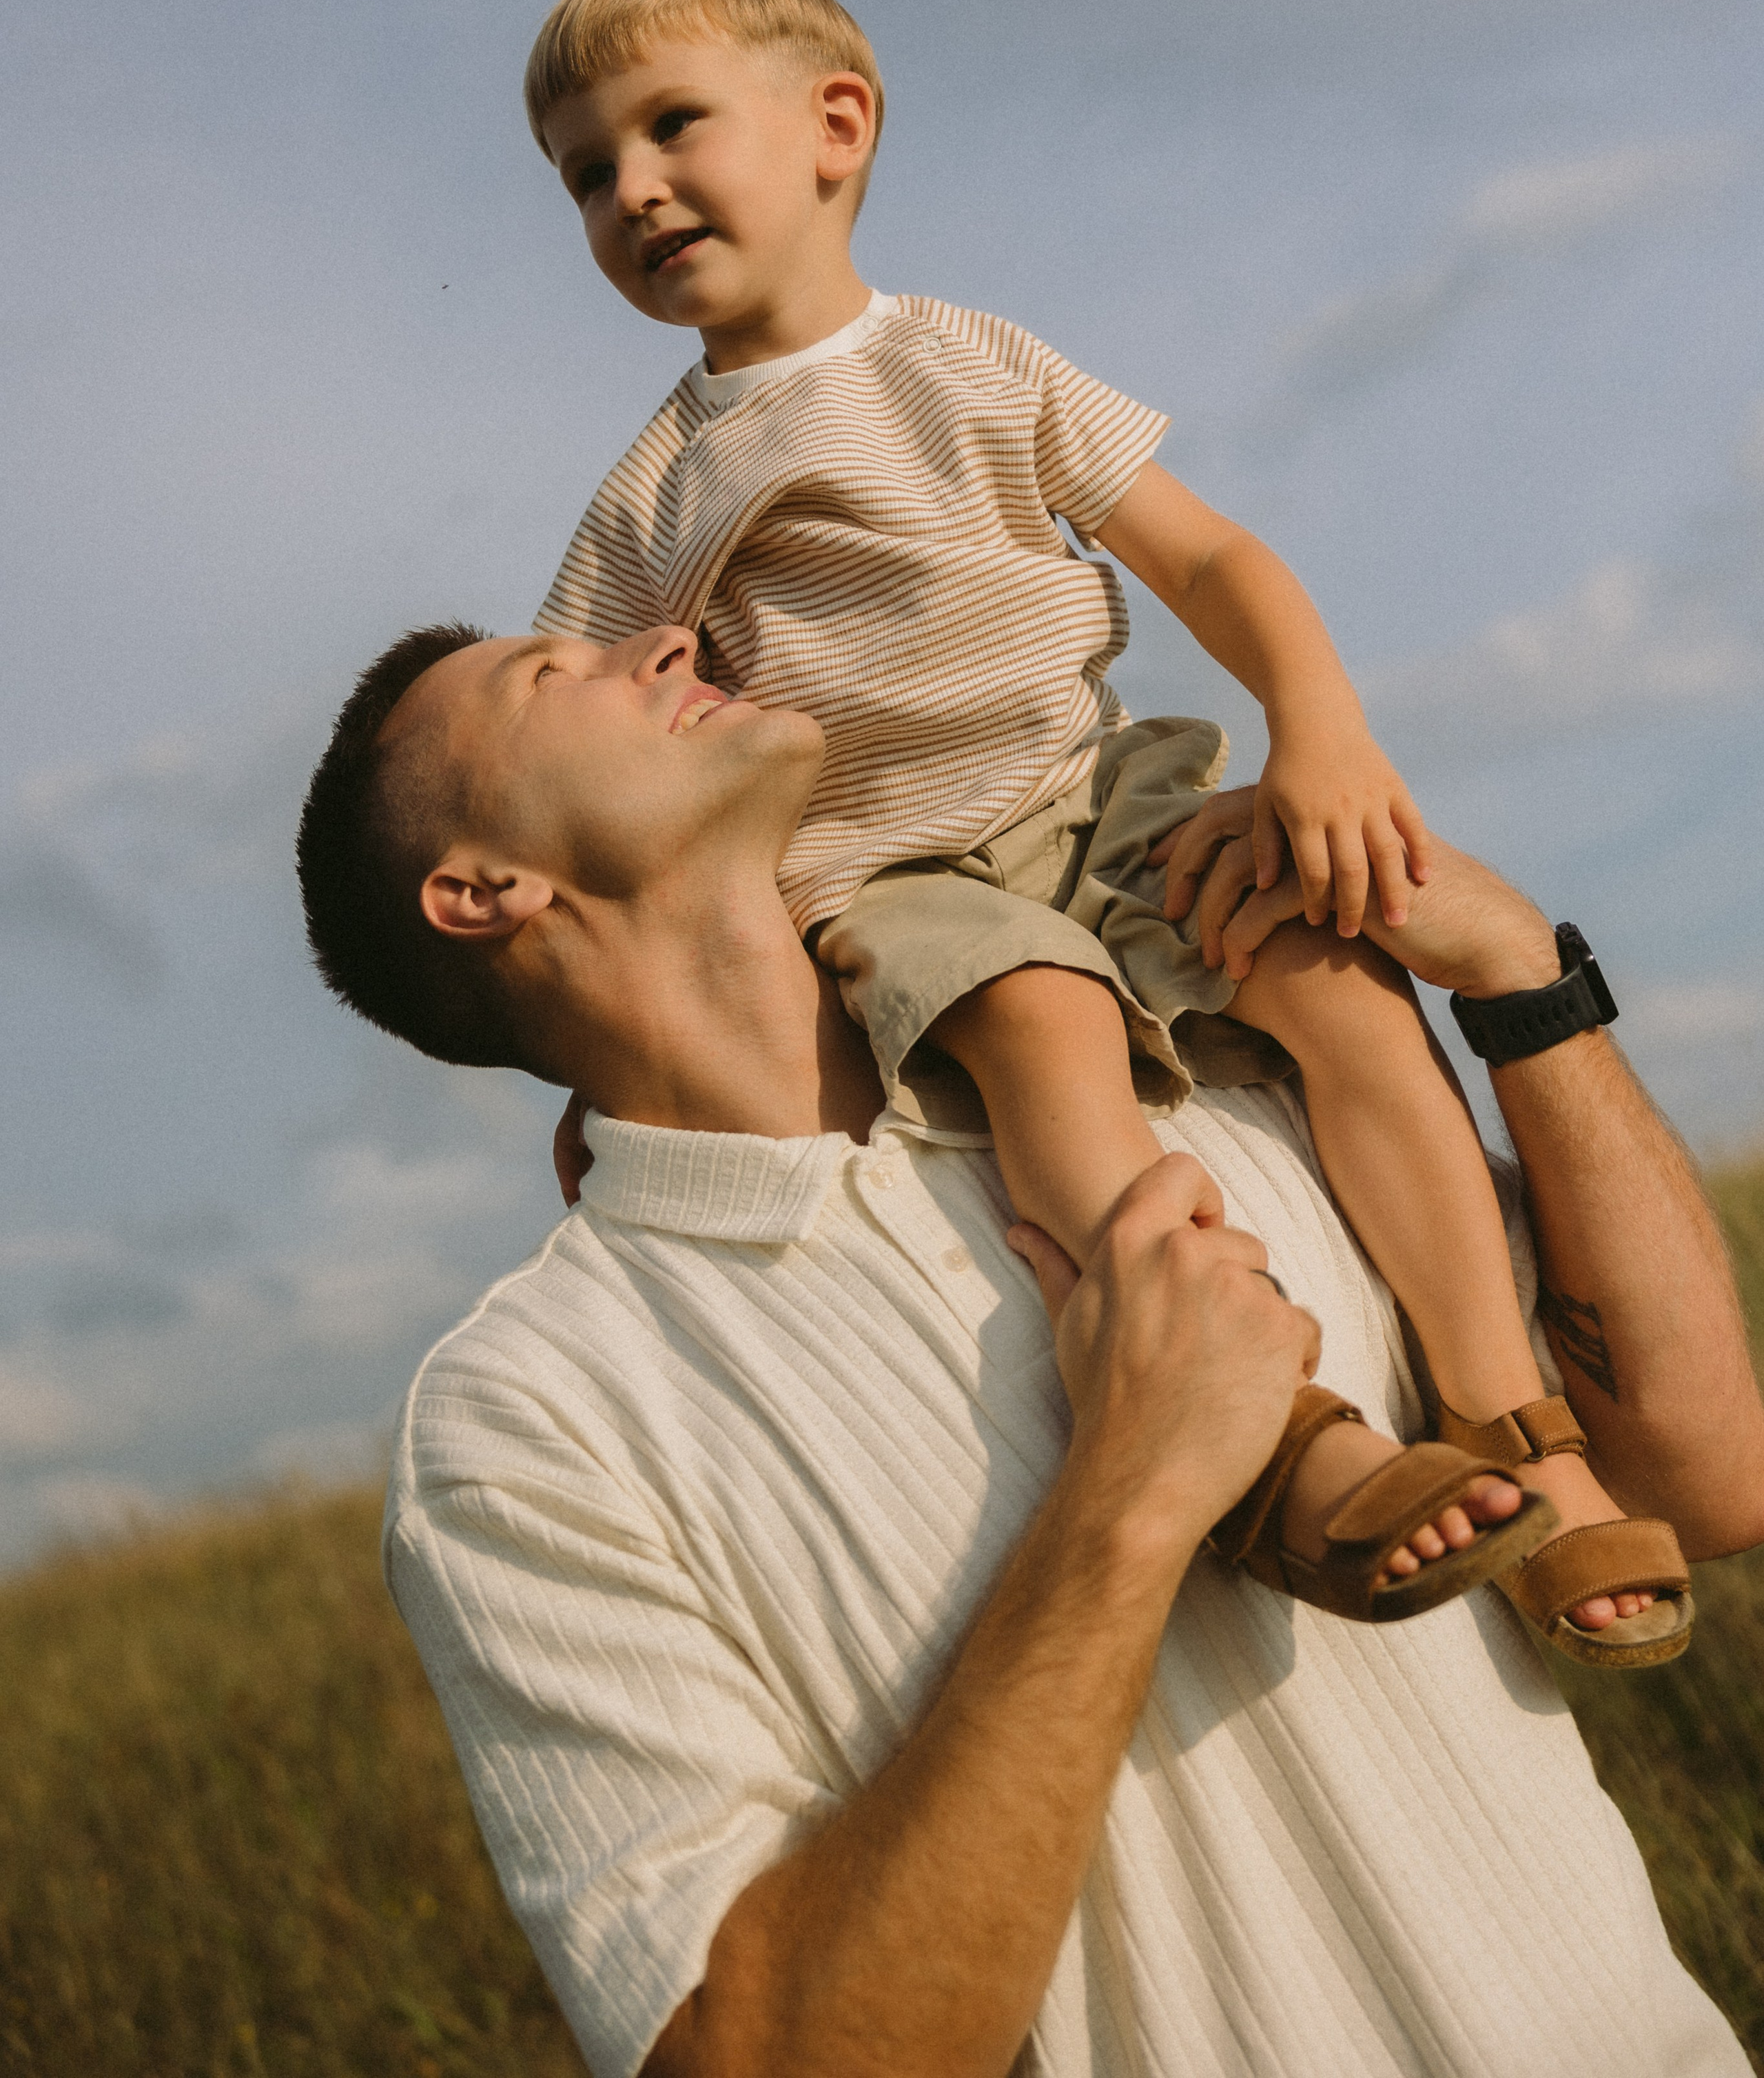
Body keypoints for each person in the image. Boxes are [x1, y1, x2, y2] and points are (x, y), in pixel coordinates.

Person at [294, 618, 1763, 2077]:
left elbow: (1703, 1485)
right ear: (482, 891)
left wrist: (1523, 983)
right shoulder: (526, 1422)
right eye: (549, 676)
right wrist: (1128, 1491)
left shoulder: (1191, 1065)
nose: (661, 637)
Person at [516, 0, 1679, 1653]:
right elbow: (572, 771)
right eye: (585, 175)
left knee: (1345, 1000)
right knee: (1046, 1029)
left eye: (671, 127)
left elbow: (1208, 557)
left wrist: (1318, 731)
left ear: (835, 125)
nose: (633, 191)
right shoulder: (655, 494)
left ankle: (1522, 1428)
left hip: (1094, 791)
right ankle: (1287, 1449)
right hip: (893, 876)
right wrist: (610, 1048)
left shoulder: (968, 361)